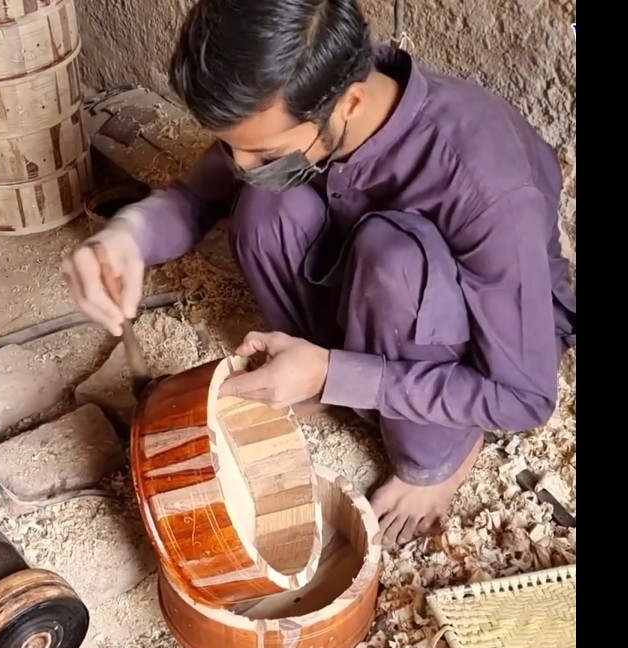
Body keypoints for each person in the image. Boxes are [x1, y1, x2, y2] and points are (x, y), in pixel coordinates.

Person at [62, 0, 577, 546]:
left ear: (350, 103)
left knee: (393, 259)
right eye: (232, 148)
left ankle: (437, 454)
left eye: (264, 153)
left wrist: (333, 372)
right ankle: (313, 366)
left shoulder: (487, 186)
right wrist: (129, 235)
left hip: (469, 338)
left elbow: (523, 397)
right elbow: (198, 195)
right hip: (363, 283)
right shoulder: (310, 99)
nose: (240, 164)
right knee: (264, 205)